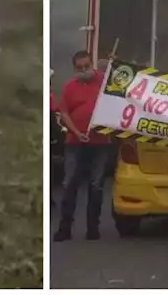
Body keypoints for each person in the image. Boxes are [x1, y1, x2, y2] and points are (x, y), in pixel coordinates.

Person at [54, 50, 110, 242]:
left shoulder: (104, 82)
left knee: (96, 185)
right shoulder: (69, 87)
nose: (84, 70)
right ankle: (64, 228)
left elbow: (120, 91)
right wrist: (76, 132)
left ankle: (93, 229)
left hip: (100, 142)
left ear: (92, 64)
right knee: (70, 184)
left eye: (87, 66)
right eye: (80, 68)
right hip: (74, 143)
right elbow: (64, 113)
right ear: (74, 68)